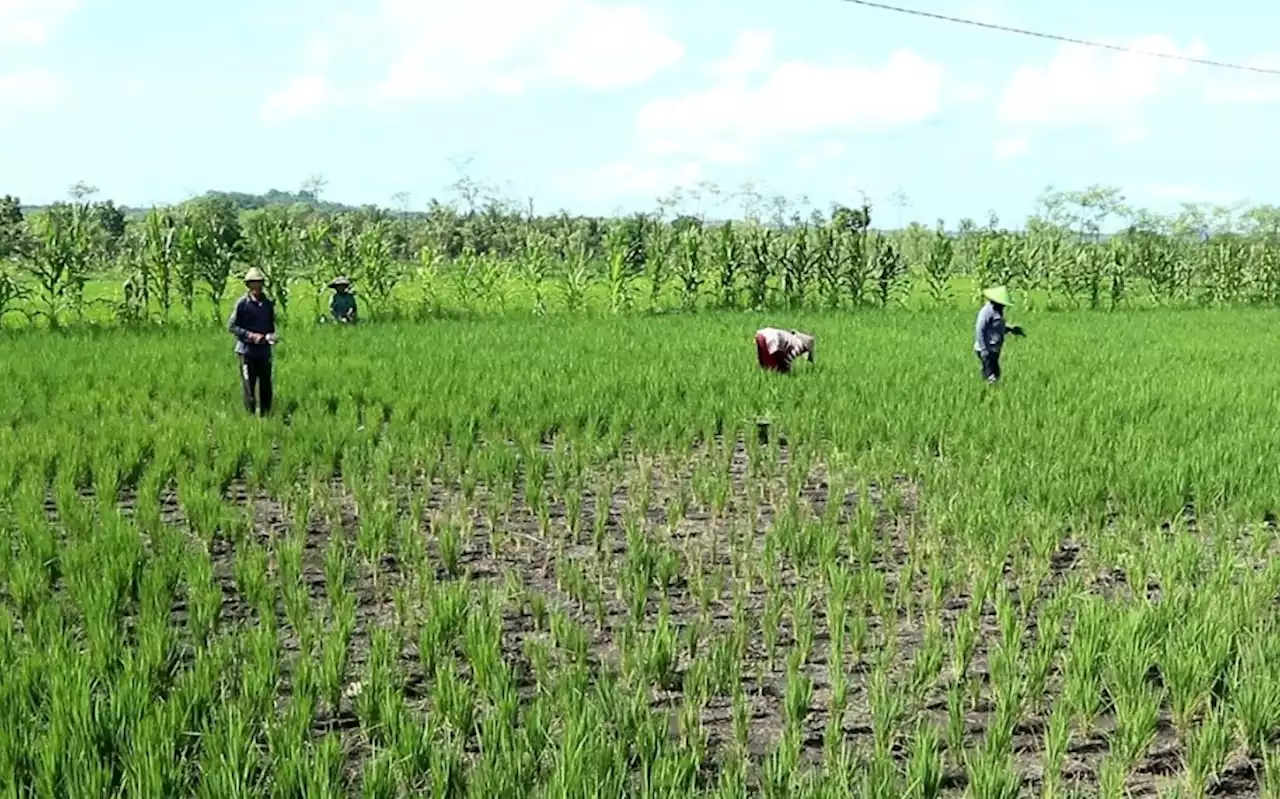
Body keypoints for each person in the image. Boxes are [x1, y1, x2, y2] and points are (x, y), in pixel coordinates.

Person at [227, 267, 277, 415]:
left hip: (263, 352)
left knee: (266, 386)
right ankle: (249, 416)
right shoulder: (242, 304)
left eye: (259, 283)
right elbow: (232, 326)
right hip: (246, 352)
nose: (256, 286)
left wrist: (270, 337)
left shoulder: (267, 304)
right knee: (249, 386)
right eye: (253, 283)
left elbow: (270, 326)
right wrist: (251, 336)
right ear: (248, 285)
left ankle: (266, 415)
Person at [974, 286, 1024, 384]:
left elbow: (996, 328)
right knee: (992, 376)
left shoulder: (996, 311)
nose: (1003, 306)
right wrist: (984, 350)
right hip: (987, 349)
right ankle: (990, 394)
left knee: (993, 374)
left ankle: (987, 392)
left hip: (994, 349)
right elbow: (980, 330)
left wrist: (1011, 329)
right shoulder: (986, 312)